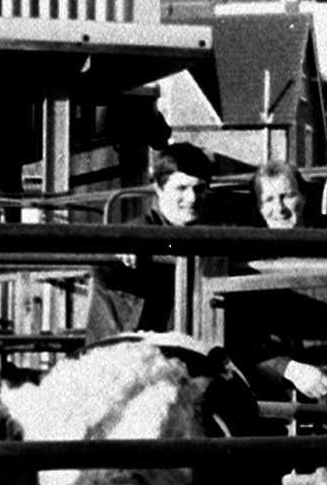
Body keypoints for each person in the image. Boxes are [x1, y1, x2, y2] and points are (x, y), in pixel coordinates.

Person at [225, 160, 327, 401]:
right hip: (282, 383)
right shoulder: (248, 257)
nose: (279, 208)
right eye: (269, 200)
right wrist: (292, 370)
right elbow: (246, 340)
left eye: (287, 196)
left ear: (303, 198)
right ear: (259, 208)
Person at [83, 143, 245, 341]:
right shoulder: (135, 234)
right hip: (126, 354)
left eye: (199, 188)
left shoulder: (208, 235)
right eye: (181, 188)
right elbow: (100, 266)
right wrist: (119, 245)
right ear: (158, 189)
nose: (192, 198)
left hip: (178, 350)